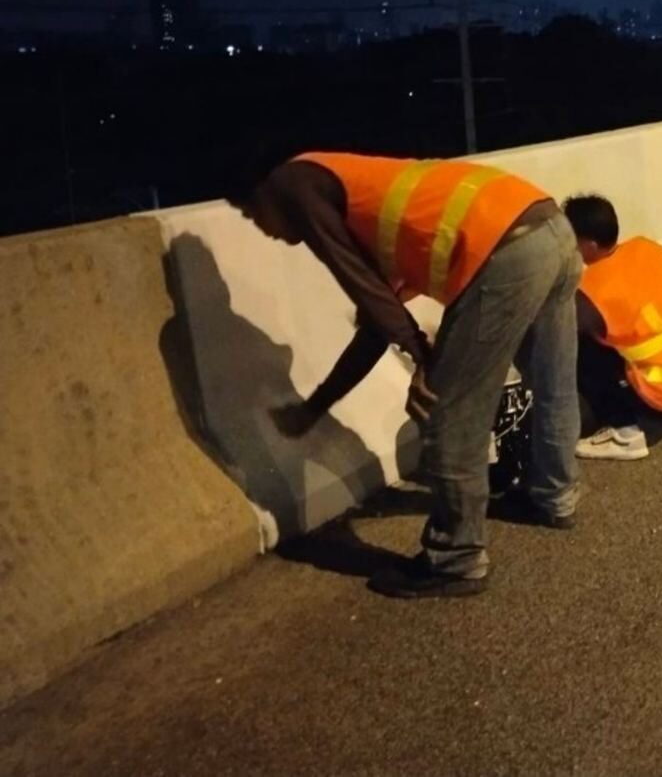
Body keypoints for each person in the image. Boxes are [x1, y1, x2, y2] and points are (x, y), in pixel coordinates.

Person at [229, 150, 583, 599]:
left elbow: (362, 287)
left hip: (505, 247)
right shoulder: (376, 212)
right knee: (554, 382)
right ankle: (554, 497)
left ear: (263, 191)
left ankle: (456, 559)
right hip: (550, 226)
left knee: (449, 414)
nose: (264, 231)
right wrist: (319, 405)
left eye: (251, 214)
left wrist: (423, 361)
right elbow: (380, 319)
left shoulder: (293, 185)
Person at [562, 195, 662, 461]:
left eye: (570, 239)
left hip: (661, 394)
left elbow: (559, 334)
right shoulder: (647, 248)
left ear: (589, 244)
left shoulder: (591, 289)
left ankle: (625, 434)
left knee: (583, 348)